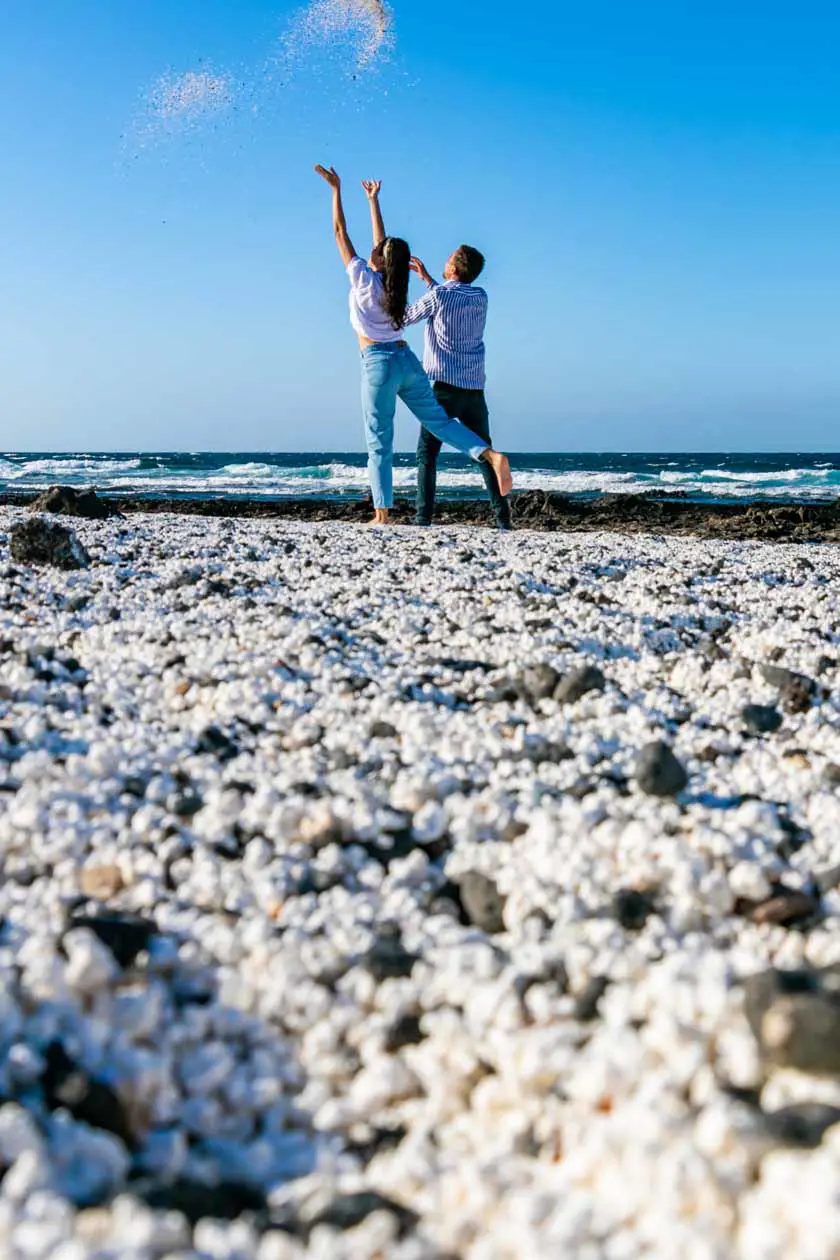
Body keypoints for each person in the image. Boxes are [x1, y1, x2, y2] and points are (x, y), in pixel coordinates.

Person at [314, 165, 513, 525]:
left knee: (380, 440)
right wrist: (374, 201)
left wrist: (335, 190)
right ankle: (488, 454)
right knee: (441, 424)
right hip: (409, 363)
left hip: (378, 363)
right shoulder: (397, 284)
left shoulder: (363, 278)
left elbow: (340, 232)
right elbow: (384, 245)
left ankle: (382, 514)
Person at [405, 247, 511, 530]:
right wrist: (428, 280)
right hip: (475, 389)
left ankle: (422, 519)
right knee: (484, 453)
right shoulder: (480, 297)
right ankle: (503, 521)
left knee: (427, 455)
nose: (445, 260)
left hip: (443, 390)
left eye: (449, 258)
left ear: (453, 268)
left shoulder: (438, 296)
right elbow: (450, 297)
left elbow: (404, 317)